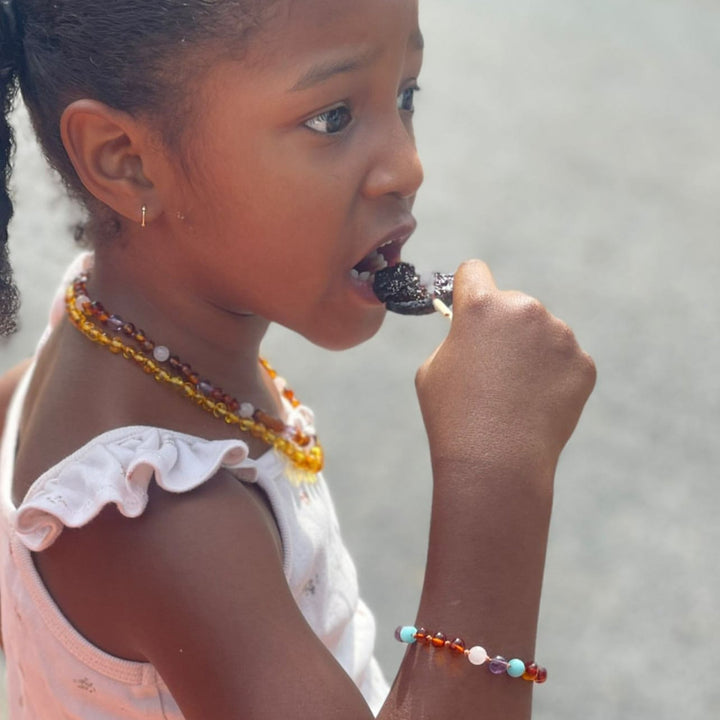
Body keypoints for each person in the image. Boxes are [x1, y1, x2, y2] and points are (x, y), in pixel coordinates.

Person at [0, 1, 596, 718]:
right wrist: (499, 479)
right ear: (125, 160)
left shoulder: (91, 316)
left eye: (405, 95)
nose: (408, 166)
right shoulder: (164, 525)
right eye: (331, 118)